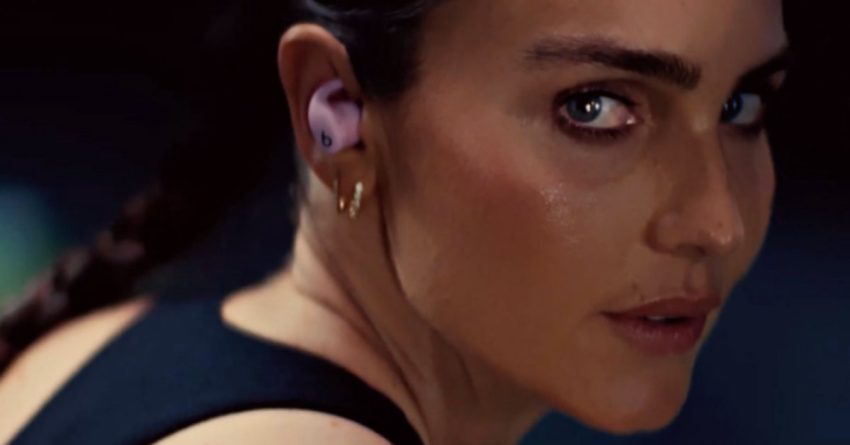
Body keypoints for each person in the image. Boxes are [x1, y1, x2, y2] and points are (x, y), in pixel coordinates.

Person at [0, 0, 790, 443]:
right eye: (595, 108)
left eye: (740, 106)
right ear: (337, 115)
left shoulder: (93, 343)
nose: (717, 220)